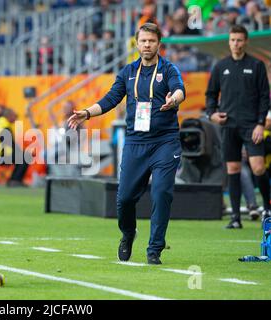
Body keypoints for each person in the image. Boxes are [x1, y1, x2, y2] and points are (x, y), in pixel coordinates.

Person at [68, 23, 185, 265]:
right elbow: (111, 99)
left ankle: (154, 249)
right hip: (135, 142)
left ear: (158, 43)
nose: (147, 45)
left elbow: (179, 89)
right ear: (137, 43)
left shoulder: (169, 69)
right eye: (143, 41)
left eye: (151, 41)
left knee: (161, 192)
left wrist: (174, 99)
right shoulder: (128, 71)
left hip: (165, 141)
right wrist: (87, 113)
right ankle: (128, 233)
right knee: (124, 199)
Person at [206, 25, 271, 228]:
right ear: (229, 42)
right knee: (233, 169)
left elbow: (264, 97)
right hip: (228, 125)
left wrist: (260, 123)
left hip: (252, 126)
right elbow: (210, 94)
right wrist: (212, 114)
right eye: (233, 40)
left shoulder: (257, 65)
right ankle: (236, 218)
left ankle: (267, 209)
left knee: (258, 168)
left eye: (239, 40)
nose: (236, 43)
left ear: (246, 42)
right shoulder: (220, 66)